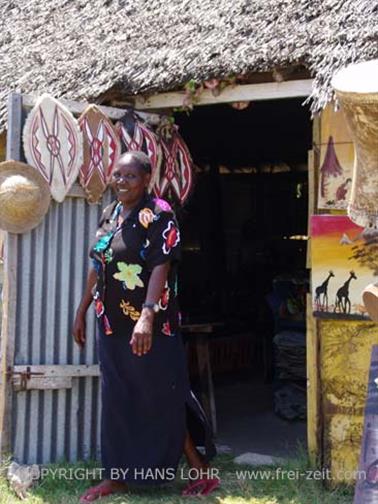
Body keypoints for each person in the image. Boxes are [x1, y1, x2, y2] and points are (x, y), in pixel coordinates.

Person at [73, 151, 218, 502]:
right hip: (111, 325)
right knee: (118, 398)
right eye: (117, 176)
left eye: (130, 177)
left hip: (150, 326)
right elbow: (99, 261)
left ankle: (199, 470)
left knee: (160, 395)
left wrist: (148, 315)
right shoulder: (111, 213)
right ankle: (117, 477)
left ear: (146, 179)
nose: (121, 182)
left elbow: (161, 265)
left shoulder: (160, 215)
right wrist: (82, 307)